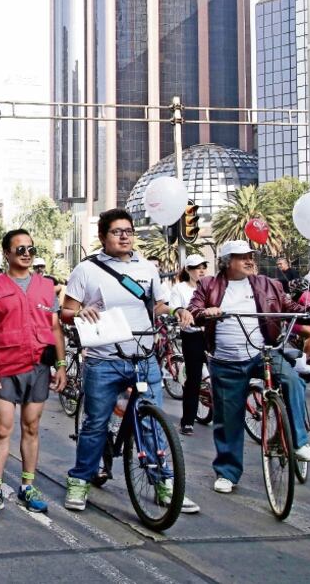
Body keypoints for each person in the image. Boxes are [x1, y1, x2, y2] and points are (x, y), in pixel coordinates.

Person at [60, 208, 199, 514]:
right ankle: (80, 480)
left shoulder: (147, 268)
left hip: (144, 358)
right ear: (102, 236)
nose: (124, 236)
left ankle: (164, 483)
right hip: (103, 360)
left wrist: (176, 312)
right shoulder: (87, 270)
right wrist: (79, 313)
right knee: (96, 423)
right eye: (117, 231)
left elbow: (158, 304)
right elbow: (65, 312)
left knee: (151, 424)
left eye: (129, 231)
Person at [186, 240, 310, 494]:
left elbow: (288, 305)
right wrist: (206, 312)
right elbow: (193, 309)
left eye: (251, 256)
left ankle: (298, 442)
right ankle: (227, 473)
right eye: (243, 257)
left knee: (293, 380)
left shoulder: (267, 283)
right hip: (226, 361)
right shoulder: (209, 284)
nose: (250, 261)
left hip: (263, 353)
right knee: (228, 419)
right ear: (228, 262)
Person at [0, 230, 66, 517]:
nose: (26, 254)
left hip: (38, 365)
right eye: (20, 250)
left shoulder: (46, 286)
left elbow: (55, 328)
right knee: (3, 429)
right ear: (6, 254)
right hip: (4, 366)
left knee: (31, 427)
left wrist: (61, 365)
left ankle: (28, 486)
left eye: (30, 249)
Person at [167, 254, 209, 435]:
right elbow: (175, 308)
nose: (201, 270)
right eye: (196, 267)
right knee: (194, 378)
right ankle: (188, 421)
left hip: (213, 336)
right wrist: (182, 315)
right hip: (192, 337)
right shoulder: (180, 289)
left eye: (203, 266)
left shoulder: (210, 285)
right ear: (188, 270)